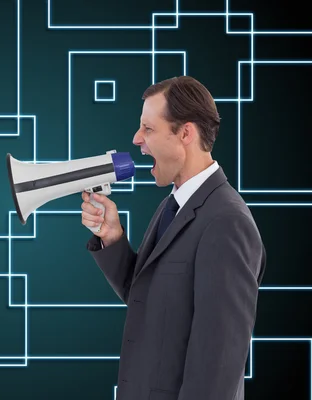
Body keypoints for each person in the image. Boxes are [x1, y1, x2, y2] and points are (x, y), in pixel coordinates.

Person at [82, 76, 266, 400]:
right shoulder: (174, 205)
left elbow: (217, 370)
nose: (137, 139)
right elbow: (151, 299)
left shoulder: (227, 223)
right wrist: (113, 239)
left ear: (185, 133)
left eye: (148, 129)